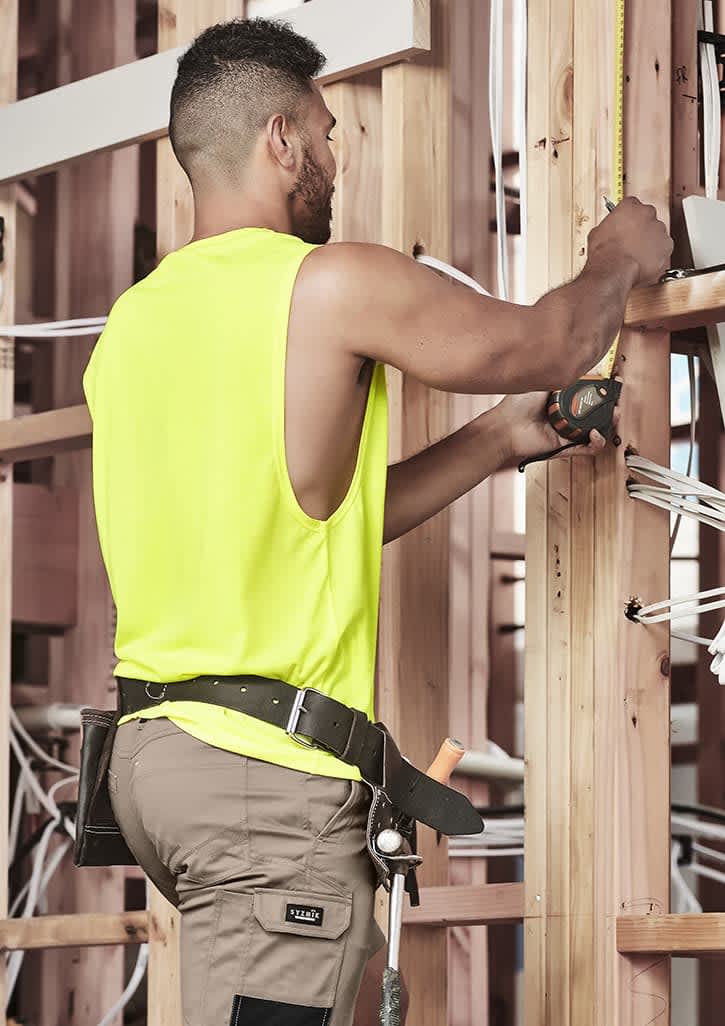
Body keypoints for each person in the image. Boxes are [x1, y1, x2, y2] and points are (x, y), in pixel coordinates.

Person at [81, 17, 673, 1026]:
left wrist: (492, 443)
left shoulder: (132, 327)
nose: (333, 159)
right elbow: (554, 339)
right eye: (324, 132)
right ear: (278, 140)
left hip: (158, 764)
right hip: (260, 787)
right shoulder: (326, 284)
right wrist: (617, 257)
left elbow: (313, 525)